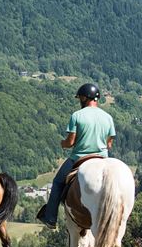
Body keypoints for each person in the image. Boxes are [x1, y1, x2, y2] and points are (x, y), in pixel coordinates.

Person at [37, 83, 115, 230]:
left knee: (58, 183)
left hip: (79, 158)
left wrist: (62, 143)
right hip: (102, 158)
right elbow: (109, 144)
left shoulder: (77, 116)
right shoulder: (108, 117)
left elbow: (70, 142)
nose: (80, 100)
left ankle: (50, 218)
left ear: (85, 98)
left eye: (80, 98)